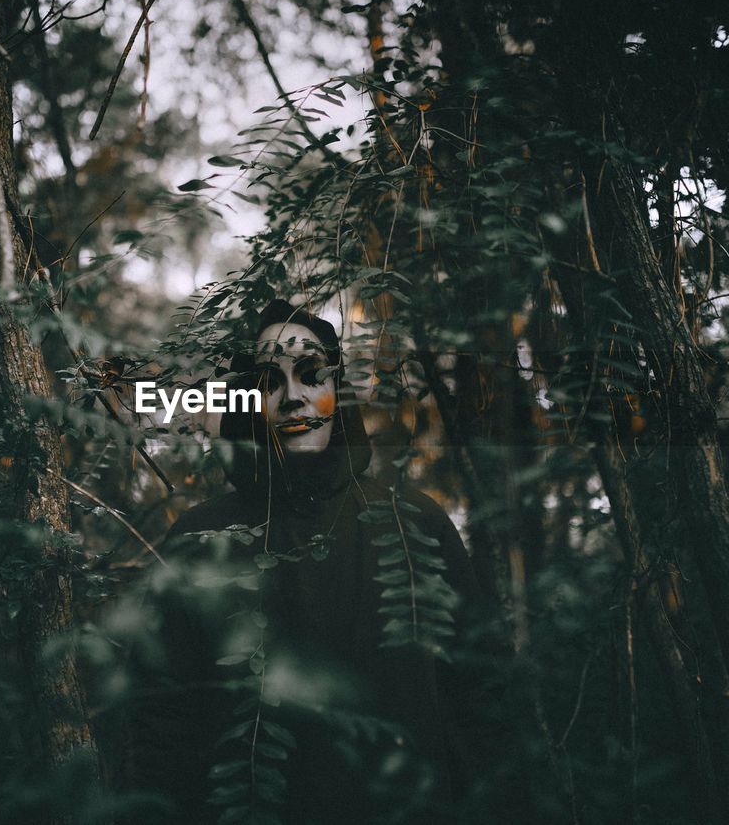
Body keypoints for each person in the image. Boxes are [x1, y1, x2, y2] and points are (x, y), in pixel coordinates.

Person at [108, 300, 499, 824]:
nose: (293, 397)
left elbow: (482, 704)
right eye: (270, 381)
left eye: (313, 374)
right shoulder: (200, 539)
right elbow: (159, 727)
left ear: (338, 393)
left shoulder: (415, 525)